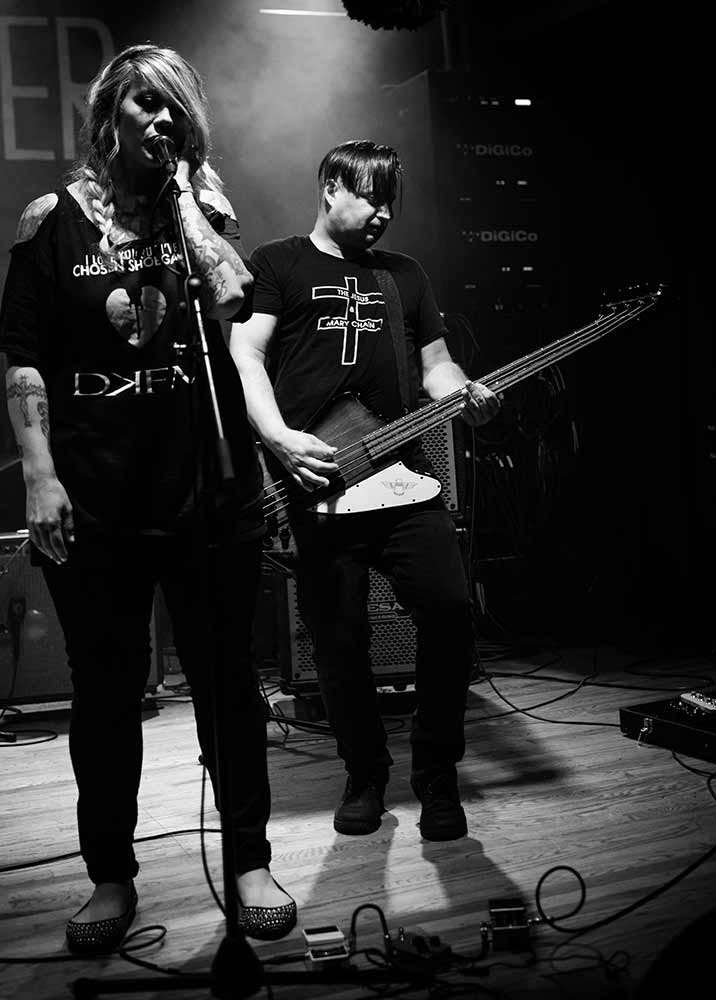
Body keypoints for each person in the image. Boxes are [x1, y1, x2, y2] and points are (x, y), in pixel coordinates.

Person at [0, 43, 296, 954]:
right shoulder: (50, 222)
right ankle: (110, 876)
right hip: (95, 494)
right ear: (109, 116)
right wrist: (40, 475)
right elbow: (24, 358)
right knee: (105, 692)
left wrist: (189, 198)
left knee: (228, 684)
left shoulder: (202, 209)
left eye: (176, 109)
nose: (162, 121)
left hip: (206, 489)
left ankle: (249, 861)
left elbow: (235, 300)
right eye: (146, 106)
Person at [230, 139, 500, 842]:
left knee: (449, 615)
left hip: (403, 477)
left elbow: (437, 367)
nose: (384, 213)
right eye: (371, 198)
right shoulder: (278, 263)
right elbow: (246, 355)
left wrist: (465, 394)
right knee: (338, 638)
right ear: (330, 187)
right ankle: (365, 774)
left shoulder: (405, 274)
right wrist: (279, 439)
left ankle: (436, 776)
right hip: (319, 479)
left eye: (391, 202)